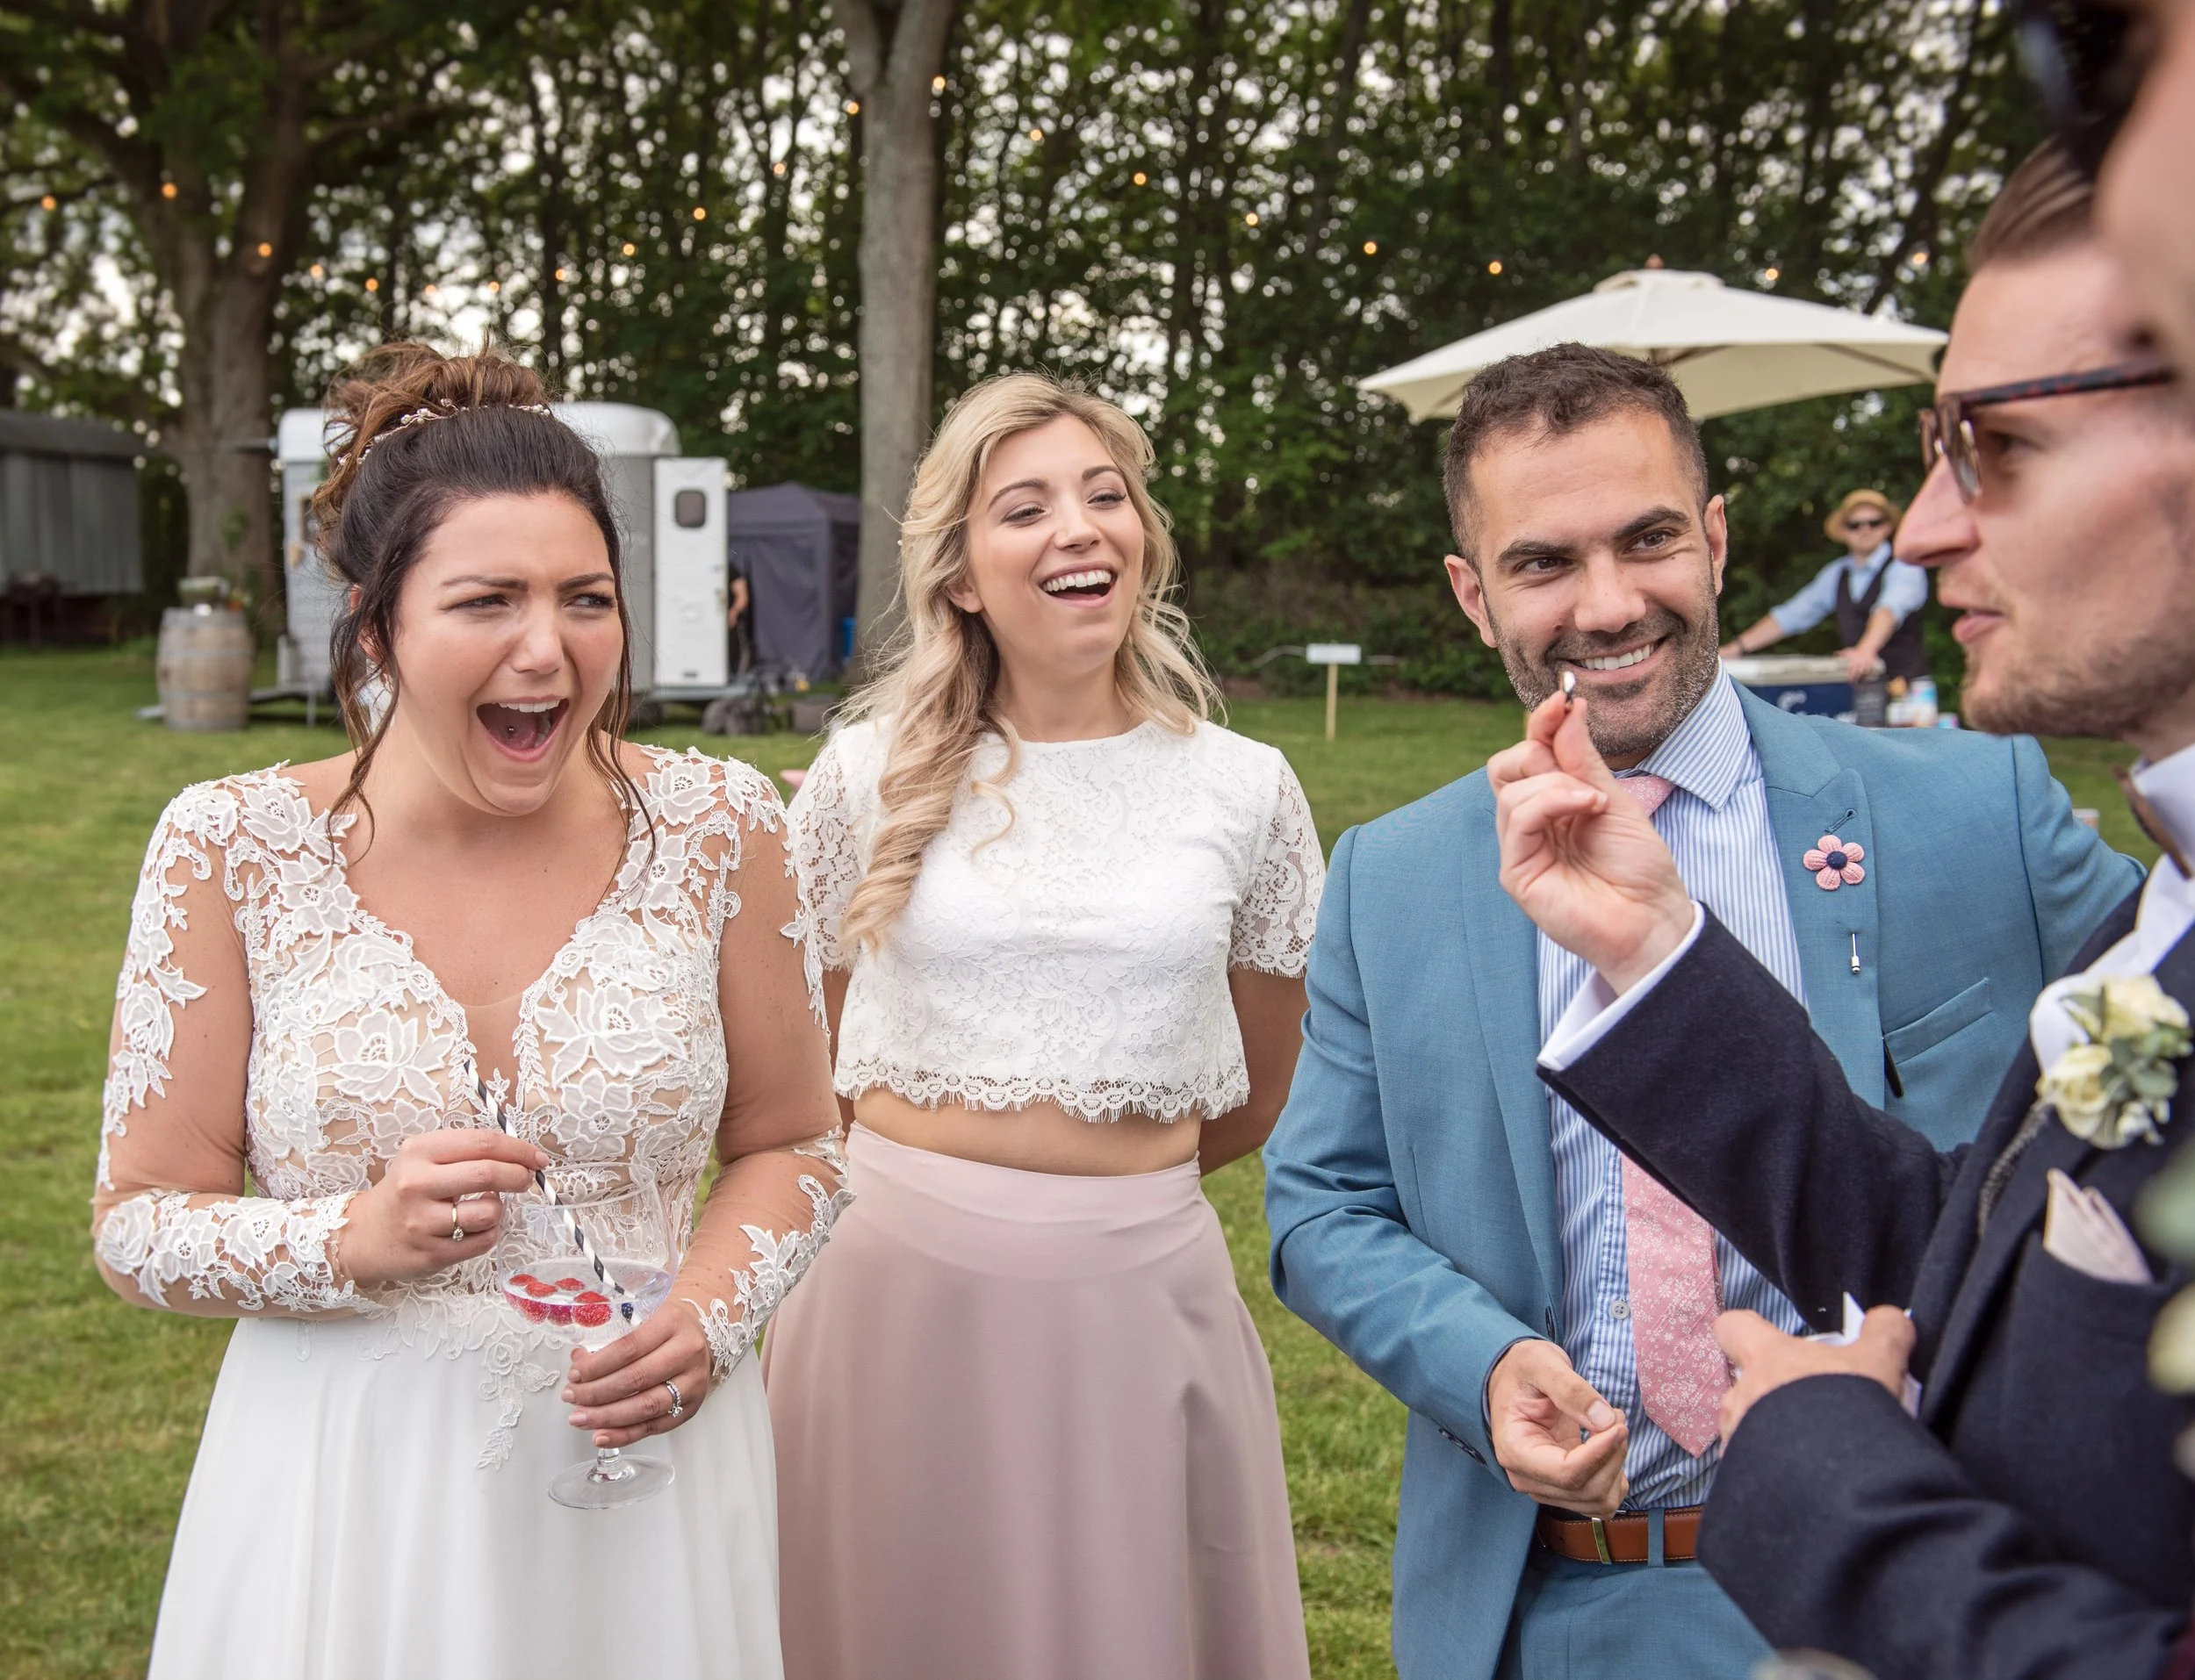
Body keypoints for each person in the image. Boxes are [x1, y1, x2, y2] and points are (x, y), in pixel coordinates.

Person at [1260, 339, 2138, 1680]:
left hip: (1917, 1582)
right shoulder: (1393, 879)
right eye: (1544, 561)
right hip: (1551, 1595)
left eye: (1651, 539)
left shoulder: (1982, 814)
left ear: (1718, 540)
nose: (1609, 605)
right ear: (1470, 591)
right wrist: (1482, 1363)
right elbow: (1321, 1203)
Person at [1489, 144, 2195, 1679]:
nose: (1928, 528)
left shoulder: (2004, 811)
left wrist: (1822, 1465)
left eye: (1993, 450)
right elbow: (1980, 1253)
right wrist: (1657, 959)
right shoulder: (2166, 896)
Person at [93, 344, 847, 1679]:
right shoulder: (232, 845)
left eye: (586, 599)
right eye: (488, 600)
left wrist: (713, 1314)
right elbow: (141, 1221)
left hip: (643, 1476)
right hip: (350, 1480)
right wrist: (353, 1233)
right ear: (378, 623)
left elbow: (797, 1139)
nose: (548, 651)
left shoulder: (727, 825)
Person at [766, 372, 1321, 1680]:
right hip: (890, 1293)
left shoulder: (1248, 792)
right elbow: (806, 1064)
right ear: (961, 573)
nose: (1080, 527)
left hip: (1137, 1296)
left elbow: (1259, 1084)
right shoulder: (862, 772)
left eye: (1106, 495)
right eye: (1027, 508)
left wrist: (1098, 1201)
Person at [1719, 488, 1931, 685]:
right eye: (1854, 525)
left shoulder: (1904, 566)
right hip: (1862, 688)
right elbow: (1792, 615)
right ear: (1844, 531)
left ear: (1887, 527)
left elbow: (1889, 610)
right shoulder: (1837, 573)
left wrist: (1866, 650)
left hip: (1909, 689)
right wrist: (1737, 648)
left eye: (1874, 522)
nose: (1865, 530)